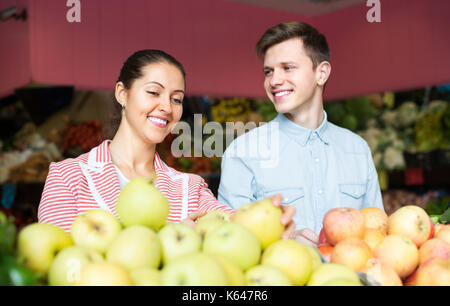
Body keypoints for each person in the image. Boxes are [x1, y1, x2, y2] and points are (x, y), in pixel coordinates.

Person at [38, 49, 296, 236]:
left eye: (176, 99)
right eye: (153, 92)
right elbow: (61, 266)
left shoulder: (189, 188)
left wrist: (270, 220)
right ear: (122, 93)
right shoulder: (68, 177)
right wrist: (169, 237)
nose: (166, 107)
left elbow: (235, 225)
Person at [218, 22, 384, 247]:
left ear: (321, 73)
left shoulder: (357, 149)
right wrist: (282, 240)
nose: (274, 81)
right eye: (269, 71)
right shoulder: (242, 153)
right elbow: (229, 242)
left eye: (287, 67)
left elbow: (376, 233)